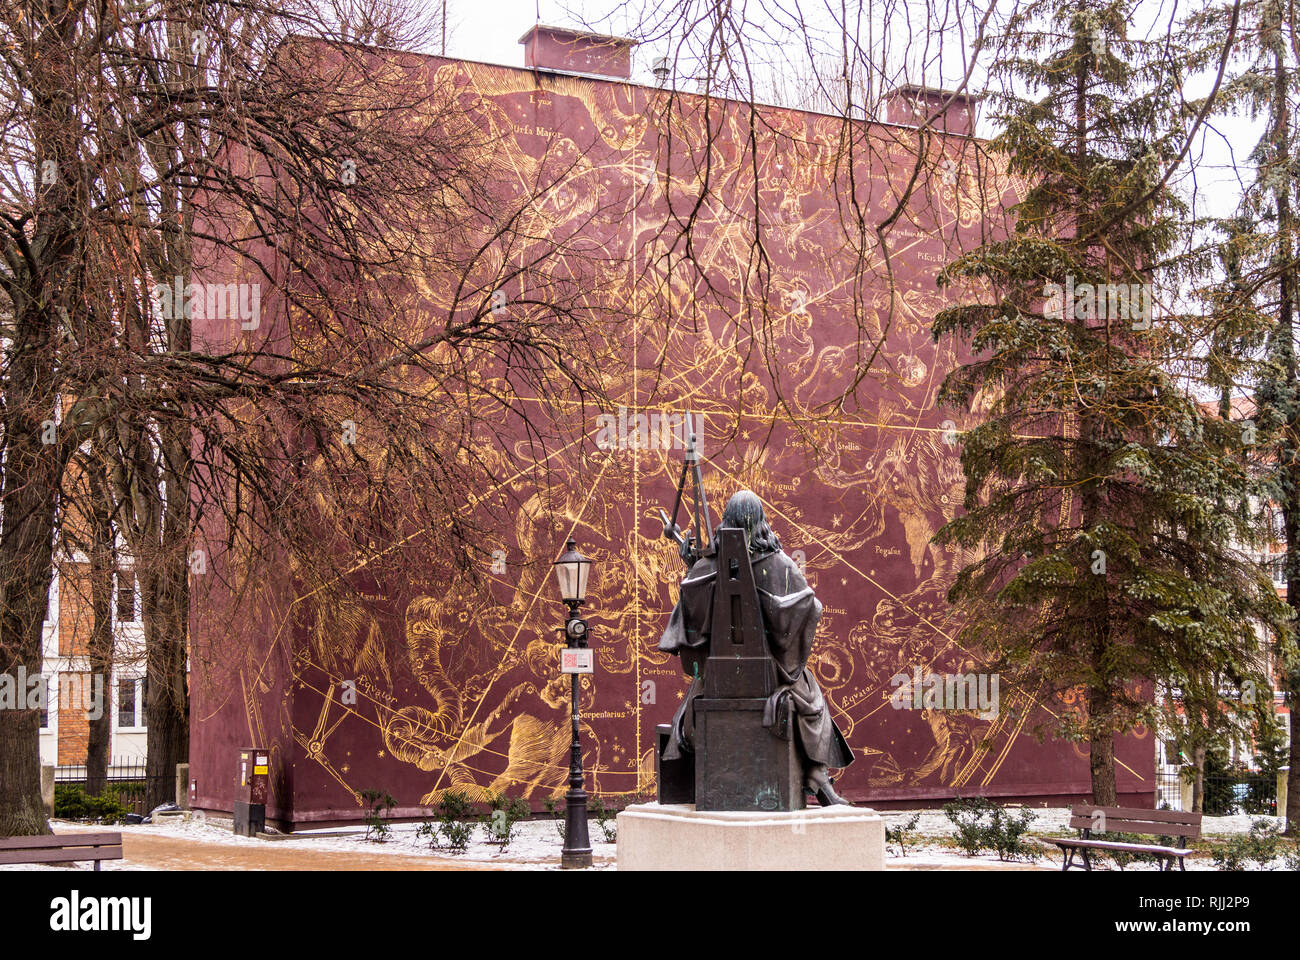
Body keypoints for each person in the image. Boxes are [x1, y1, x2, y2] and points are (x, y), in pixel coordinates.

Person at [658, 489, 854, 805]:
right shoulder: (779, 565)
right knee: (810, 694)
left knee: (696, 690)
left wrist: (694, 566)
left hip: (718, 679)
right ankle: (817, 774)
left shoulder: (706, 568)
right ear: (761, 522)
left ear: (726, 523)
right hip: (770, 674)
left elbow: (690, 626)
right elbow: (808, 608)